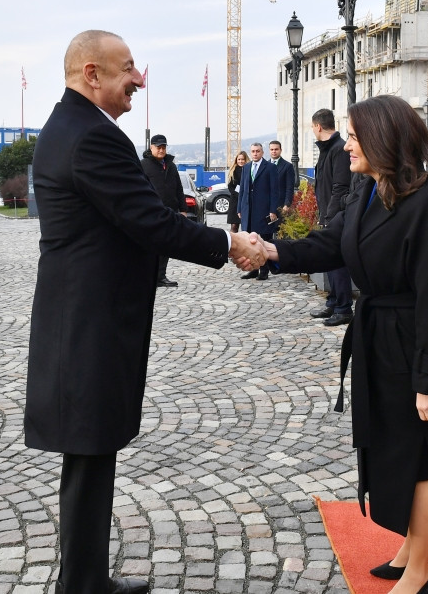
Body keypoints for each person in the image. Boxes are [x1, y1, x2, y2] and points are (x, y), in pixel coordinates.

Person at [24, 30, 264, 594]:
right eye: (128, 68)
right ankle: (81, 587)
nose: (138, 79)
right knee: (89, 454)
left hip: (81, 318)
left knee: (91, 456)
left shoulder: (69, 127)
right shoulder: (93, 136)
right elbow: (150, 221)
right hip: (89, 323)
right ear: (92, 74)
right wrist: (228, 242)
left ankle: (85, 581)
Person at [261, 95, 428, 594]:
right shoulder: (367, 190)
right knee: (391, 449)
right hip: (376, 337)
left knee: (420, 456)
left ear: (382, 139)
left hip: (410, 342)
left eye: (354, 137)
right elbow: (333, 243)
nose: (347, 145)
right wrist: (272, 251)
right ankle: (412, 546)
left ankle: (421, 571)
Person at [310, 109, 354, 326]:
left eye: (313, 127)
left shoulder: (339, 149)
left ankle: (344, 308)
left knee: (337, 262)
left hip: (336, 217)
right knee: (329, 259)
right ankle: (333, 301)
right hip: (328, 214)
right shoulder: (328, 149)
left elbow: (340, 187)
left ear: (318, 126)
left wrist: (329, 217)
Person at [140, 134, 188, 287]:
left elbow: (179, 189)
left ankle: (160, 276)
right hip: (151, 212)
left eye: (163, 147)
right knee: (150, 245)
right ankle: (147, 276)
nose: (161, 150)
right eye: (158, 147)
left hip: (170, 211)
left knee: (166, 245)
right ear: (151, 147)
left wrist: (183, 209)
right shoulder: (143, 165)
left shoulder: (171, 166)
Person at [237, 142, 280, 281]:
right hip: (248, 210)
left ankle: (264, 270)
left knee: (264, 241)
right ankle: (253, 269)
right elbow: (242, 189)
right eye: (253, 151)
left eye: (257, 151)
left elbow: (274, 191)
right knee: (249, 241)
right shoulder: (246, 167)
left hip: (264, 210)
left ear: (262, 152)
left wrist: (273, 210)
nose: (255, 153)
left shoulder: (270, 168)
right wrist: (239, 208)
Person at [269, 140, 296, 220]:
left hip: (281, 206)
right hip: (267, 206)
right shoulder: (264, 165)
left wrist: (287, 204)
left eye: (276, 149)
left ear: (280, 150)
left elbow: (289, 187)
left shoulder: (288, 166)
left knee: (279, 227)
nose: (274, 151)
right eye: (272, 149)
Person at [226, 151, 248, 233]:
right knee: (234, 226)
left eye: (242, 159)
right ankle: (232, 241)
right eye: (239, 159)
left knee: (247, 228)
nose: (240, 161)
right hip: (235, 201)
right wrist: (238, 195)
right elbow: (230, 186)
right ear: (236, 160)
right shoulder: (233, 171)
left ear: (246, 160)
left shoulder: (249, 170)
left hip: (246, 201)